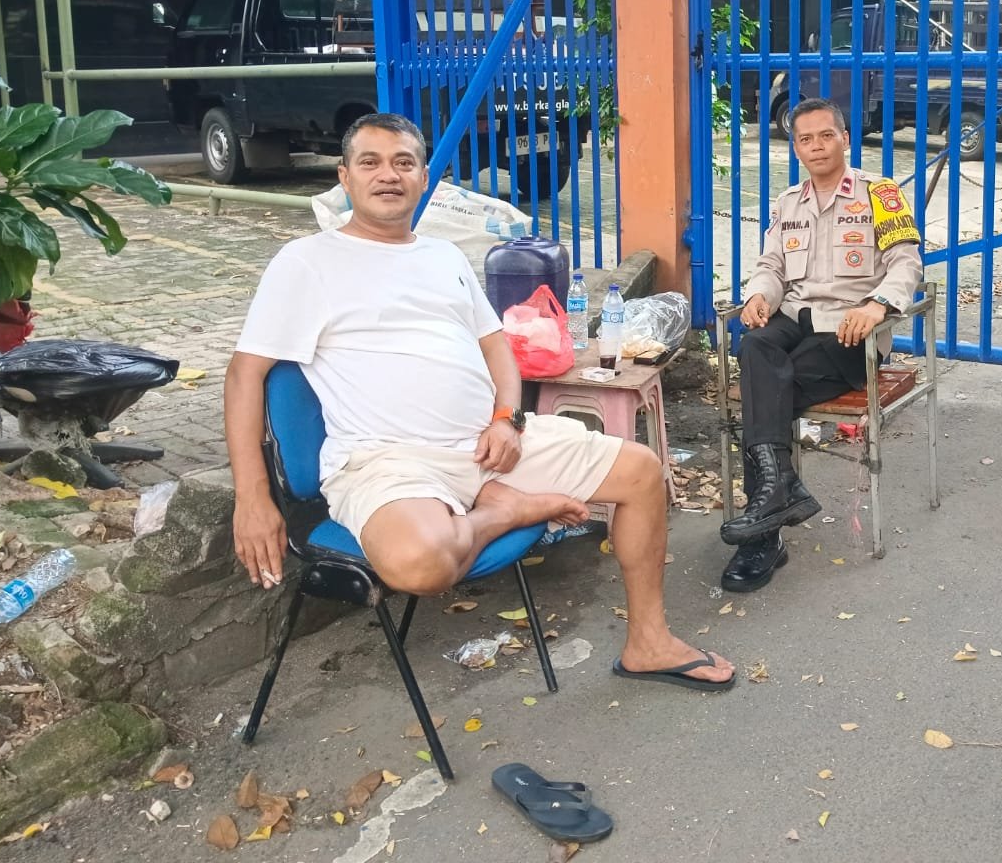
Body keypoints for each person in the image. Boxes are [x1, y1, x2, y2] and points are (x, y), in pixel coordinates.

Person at [224, 113, 734, 690]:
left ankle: (648, 642)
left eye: (403, 163)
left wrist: (506, 419)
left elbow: (497, 350)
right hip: (389, 461)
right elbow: (244, 377)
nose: (388, 175)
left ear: (423, 180)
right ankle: (507, 510)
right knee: (421, 564)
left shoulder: (442, 256)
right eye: (370, 163)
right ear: (345, 177)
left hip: (488, 445)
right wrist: (253, 497)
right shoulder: (306, 262)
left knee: (641, 471)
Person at [722, 98, 925, 592]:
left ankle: (763, 535)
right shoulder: (788, 202)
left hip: (850, 330)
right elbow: (772, 267)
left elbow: (906, 263)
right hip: (796, 318)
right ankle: (780, 489)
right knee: (755, 347)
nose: (816, 146)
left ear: (845, 139)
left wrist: (878, 304)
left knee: (764, 391)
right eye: (805, 139)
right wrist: (758, 296)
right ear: (796, 147)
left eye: (825, 135)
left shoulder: (881, 193)